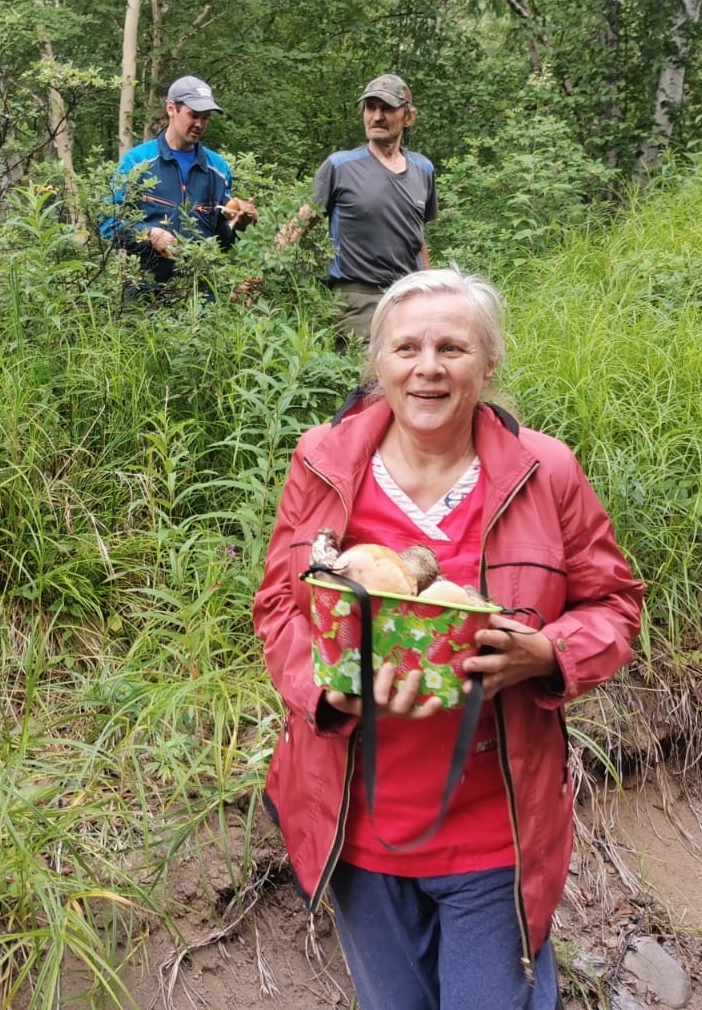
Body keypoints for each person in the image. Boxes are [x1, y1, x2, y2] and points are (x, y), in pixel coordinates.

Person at [252, 267, 644, 1010]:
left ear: (488, 363)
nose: (427, 367)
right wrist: (326, 688)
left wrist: (547, 654)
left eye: (451, 348)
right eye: (406, 348)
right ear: (378, 363)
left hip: (494, 827)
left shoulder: (545, 471)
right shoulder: (325, 462)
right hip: (358, 822)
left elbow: (615, 604)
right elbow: (278, 603)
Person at [275, 73, 438, 342]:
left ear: (409, 117)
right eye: (370, 107)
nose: (377, 116)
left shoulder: (423, 169)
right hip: (357, 298)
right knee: (366, 381)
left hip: (410, 298)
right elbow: (298, 225)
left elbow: (417, 234)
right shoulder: (341, 166)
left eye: (387, 108)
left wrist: (429, 288)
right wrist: (256, 277)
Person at [100, 74, 256, 290]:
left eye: (205, 118)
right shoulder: (137, 162)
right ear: (171, 109)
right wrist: (150, 235)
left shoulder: (218, 169)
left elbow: (223, 241)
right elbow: (108, 223)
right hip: (144, 296)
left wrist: (239, 226)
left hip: (201, 297)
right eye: (193, 115)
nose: (199, 124)